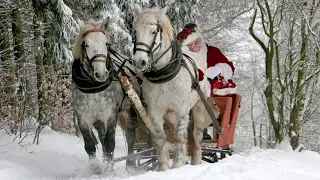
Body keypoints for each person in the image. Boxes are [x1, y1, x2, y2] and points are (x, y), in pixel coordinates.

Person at [177, 23, 237, 140]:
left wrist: (219, 68)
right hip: (186, 94)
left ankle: (202, 131)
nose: (195, 46)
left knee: (204, 104)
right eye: (191, 44)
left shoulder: (212, 52)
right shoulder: (182, 57)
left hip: (209, 97)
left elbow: (229, 67)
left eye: (197, 42)